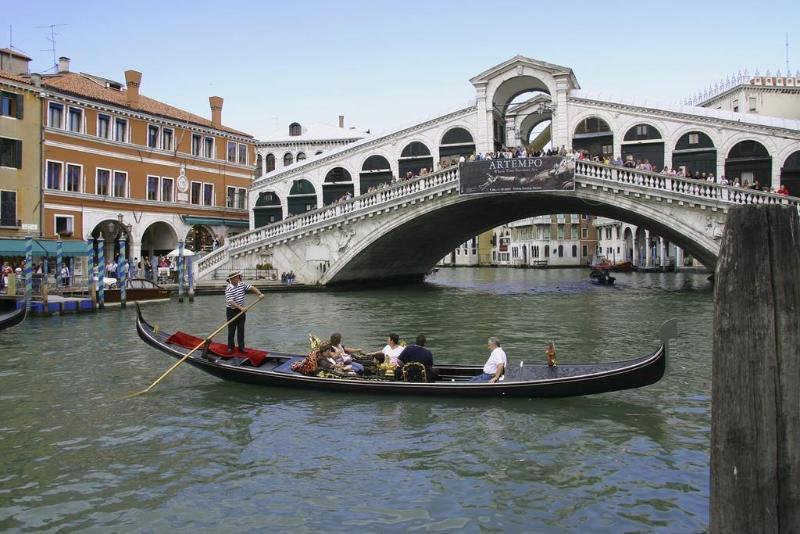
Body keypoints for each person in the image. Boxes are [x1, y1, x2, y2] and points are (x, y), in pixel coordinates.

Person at [225, 270, 263, 354]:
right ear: (232, 279)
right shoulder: (228, 288)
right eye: (237, 277)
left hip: (241, 311)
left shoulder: (241, 284)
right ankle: (230, 348)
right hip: (231, 311)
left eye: (239, 277)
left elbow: (251, 287)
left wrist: (259, 293)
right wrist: (241, 308)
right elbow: (231, 301)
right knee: (231, 331)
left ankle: (241, 348)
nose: (239, 278)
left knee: (241, 330)